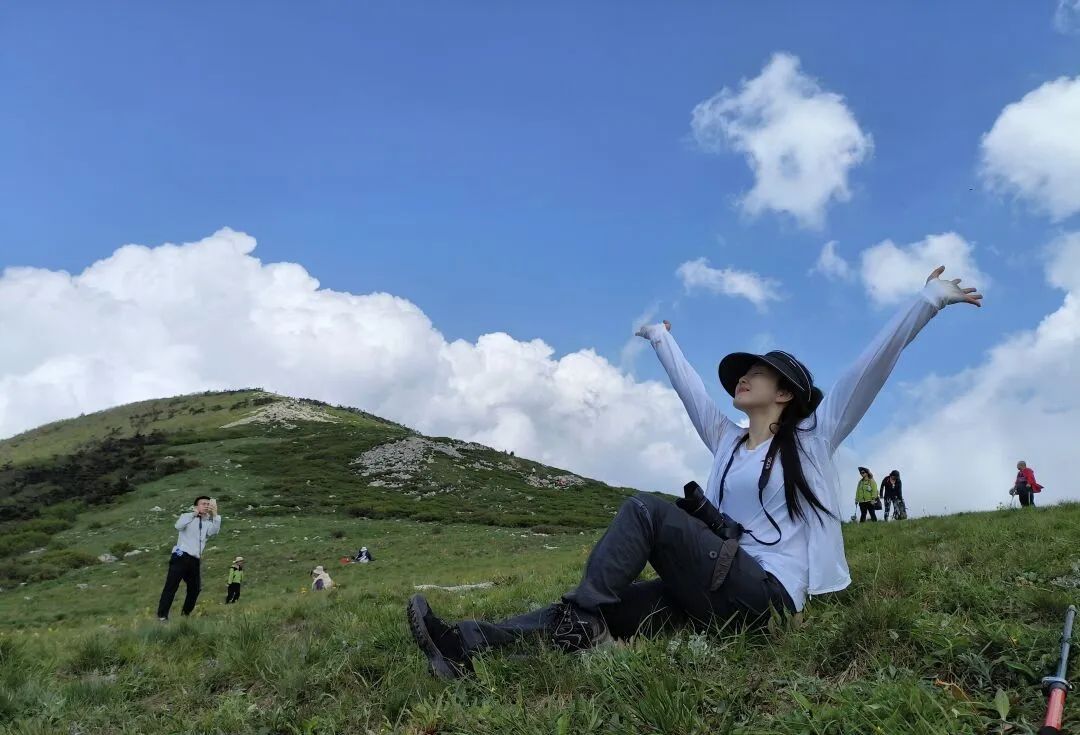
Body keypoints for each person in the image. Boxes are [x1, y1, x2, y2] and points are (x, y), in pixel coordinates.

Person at [405, 267, 982, 679]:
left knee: (643, 510)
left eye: (758, 374)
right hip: (716, 586)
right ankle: (466, 642)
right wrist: (661, 339)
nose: (743, 379)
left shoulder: (812, 436)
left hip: (767, 596)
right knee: (612, 607)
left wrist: (927, 301)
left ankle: (582, 620)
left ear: (787, 393)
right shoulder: (727, 444)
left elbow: (869, 368)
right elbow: (692, 394)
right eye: (741, 373)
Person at [156, 496, 221, 621]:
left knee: (195, 589)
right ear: (196, 506)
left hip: (195, 560)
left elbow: (214, 532)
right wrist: (195, 514)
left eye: (208, 504)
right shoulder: (187, 517)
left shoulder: (208, 523)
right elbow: (178, 526)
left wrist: (215, 514)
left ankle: (185, 615)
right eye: (203, 504)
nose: (206, 505)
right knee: (171, 586)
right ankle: (162, 616)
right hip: (180, 556)